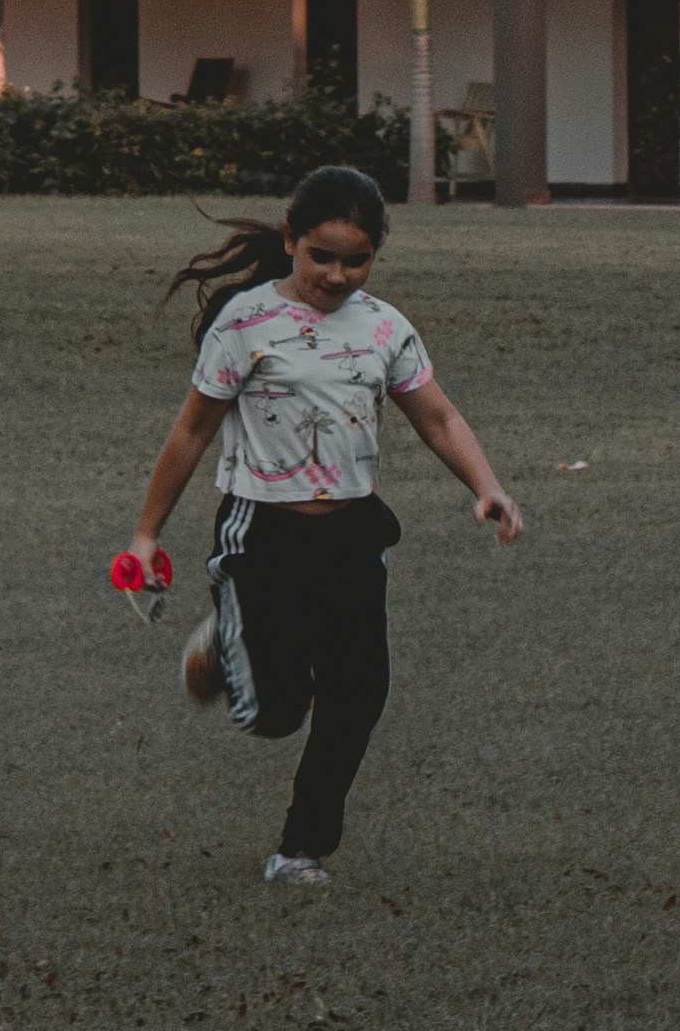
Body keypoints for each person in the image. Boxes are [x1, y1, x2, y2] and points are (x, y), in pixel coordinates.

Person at [122, 162, 521, 884]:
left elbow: (438, 416)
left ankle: (300, 850)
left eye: (357, 259)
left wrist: (486, 485)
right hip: (263, 535)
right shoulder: (244, 323)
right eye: (321, 257)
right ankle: (220, 646)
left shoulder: (385, 328)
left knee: (359, 691)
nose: (338, 276)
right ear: (290, 240)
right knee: (276, 714)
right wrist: (147, 533)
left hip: (352, 534)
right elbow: (190, 433)